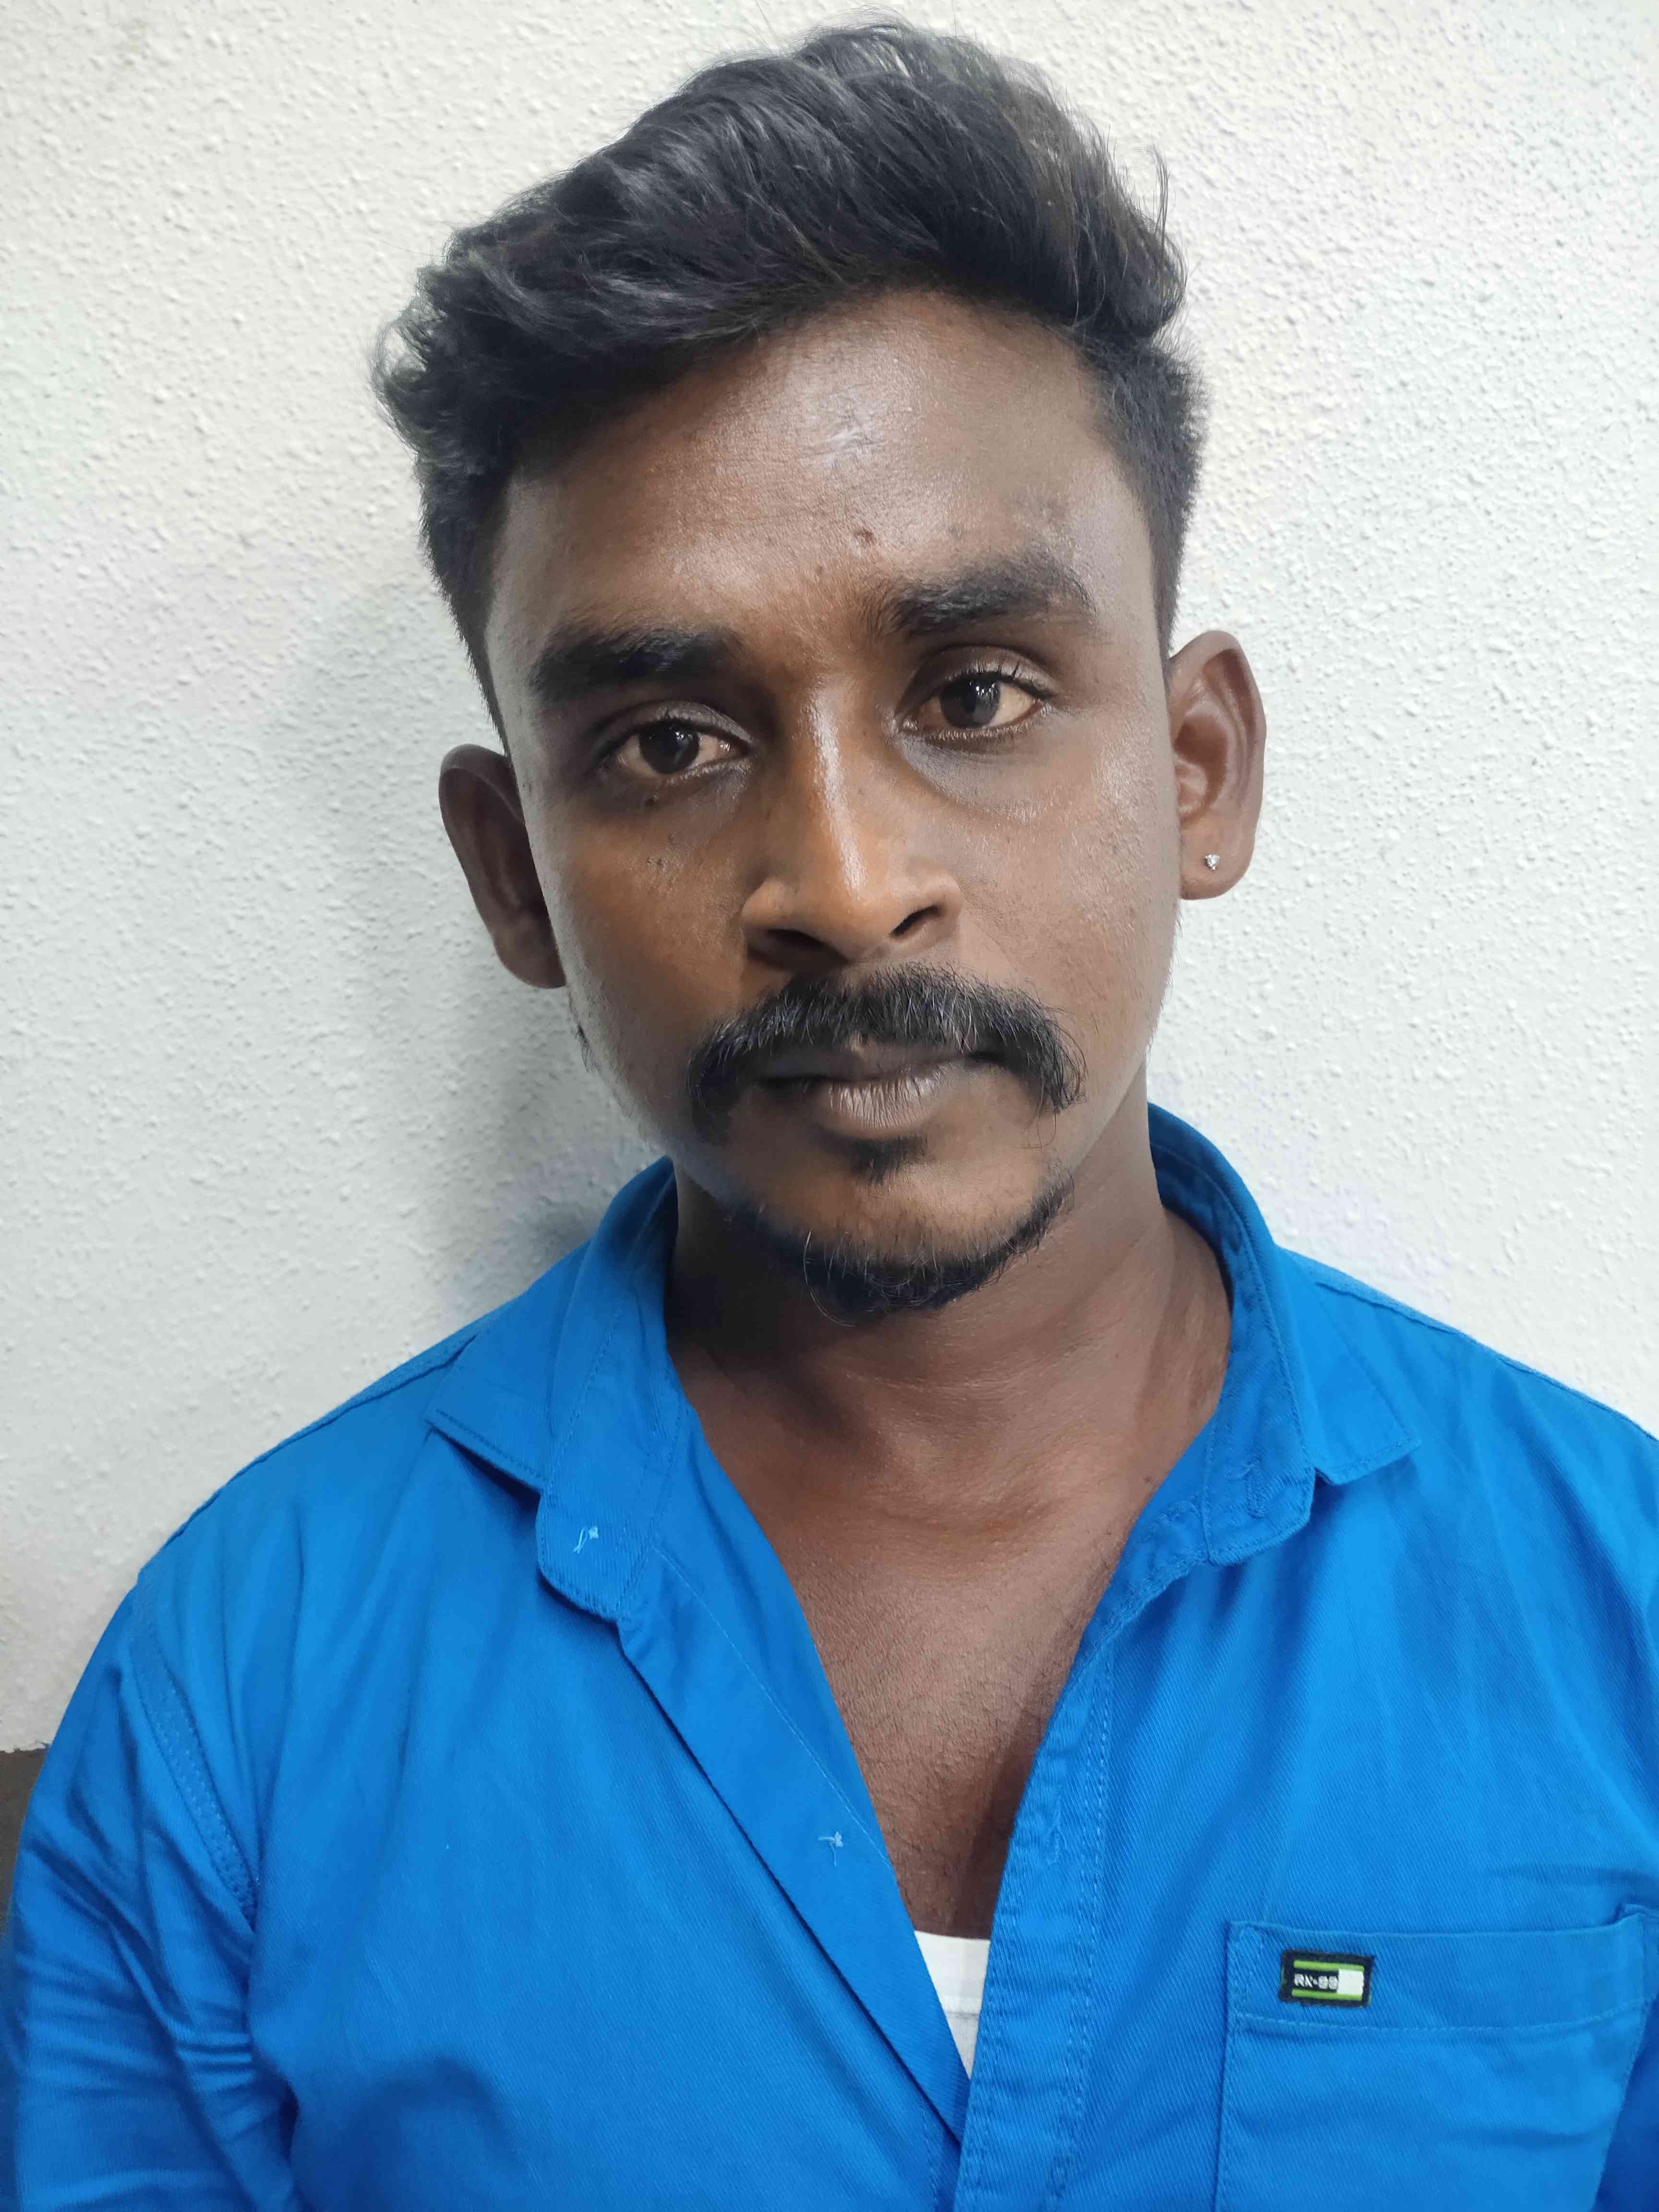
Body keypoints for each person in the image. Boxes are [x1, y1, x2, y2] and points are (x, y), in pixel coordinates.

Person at [2, 18, 1654, 2207]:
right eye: (671, 742)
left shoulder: (1618, 1612)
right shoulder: (244, 1688)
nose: (847, 886)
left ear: (1195, 773)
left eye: (974, 693)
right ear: (515, 875)